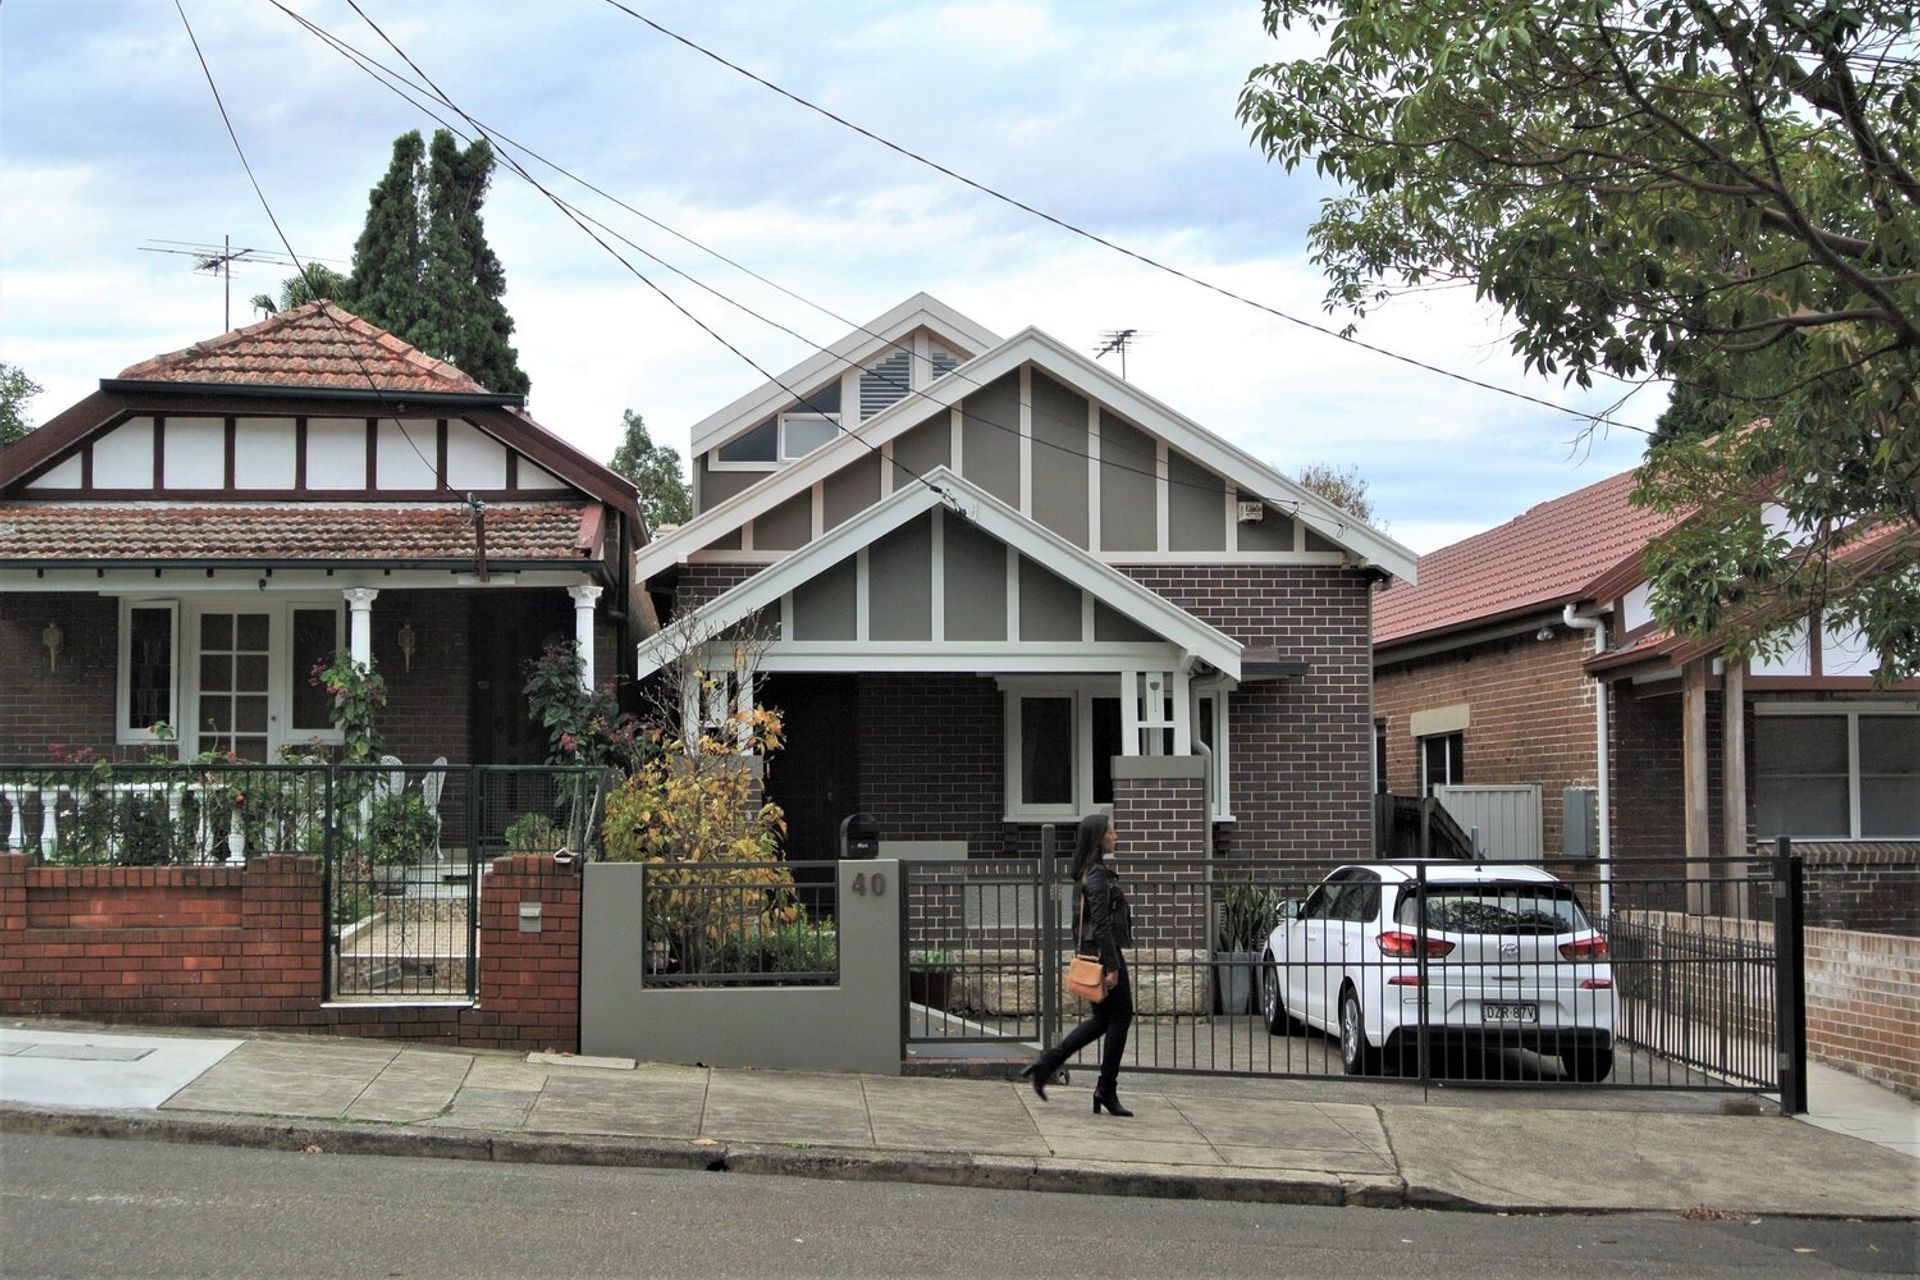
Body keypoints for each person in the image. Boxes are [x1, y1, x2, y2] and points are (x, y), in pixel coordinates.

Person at [1021, 810, 1135, 1116]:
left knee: (1103, 1020)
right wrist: (1112, 965)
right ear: (1098, 838)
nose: (1116, 836)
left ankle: (1047, 1064)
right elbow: (1101, 922)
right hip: (1104, 954)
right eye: (1111, 832)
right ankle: (1105, 1089)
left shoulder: (1091, 871)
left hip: (1098, 952)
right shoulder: (1095, 874)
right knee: (1121, 1016)